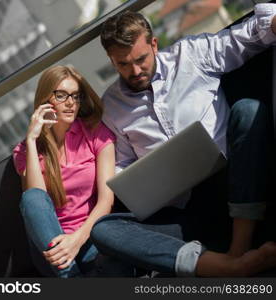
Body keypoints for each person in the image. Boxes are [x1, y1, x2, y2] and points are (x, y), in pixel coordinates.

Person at [91, 3, 276, 277]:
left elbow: (248, 37)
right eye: (123, 64)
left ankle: (237, 253)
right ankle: (222, 266)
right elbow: (122, 165)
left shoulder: (191, 55)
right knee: (104, 230)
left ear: (154, 45)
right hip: (184, 212)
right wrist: (135, 181)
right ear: (112, 60)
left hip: (235, 182)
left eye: (141, 58)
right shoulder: (111, 106)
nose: (135, 70)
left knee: (248, 110)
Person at [12, 65, 116, 277]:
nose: (70, 103)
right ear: (45, 100)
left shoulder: (95, 132)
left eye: (75, 96)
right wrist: (32, 140)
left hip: (90, 237)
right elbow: (35, 203)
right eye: (61, 95)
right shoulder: (24, 151)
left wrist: (75, 241)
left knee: (111, 262)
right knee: (31, 197)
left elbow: (107, 200)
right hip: (52, 250)